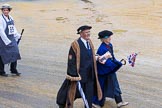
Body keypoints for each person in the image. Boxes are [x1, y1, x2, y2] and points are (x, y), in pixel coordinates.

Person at [56, 25, 102, 108]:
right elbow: (71, 61)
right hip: (79, 77)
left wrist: (98, 58)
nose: (88, 34)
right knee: (71, 94)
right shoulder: (75, 44)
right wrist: (75, 75)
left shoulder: (90, 42)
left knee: (89, 96)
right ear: (81, 33)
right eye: (86, 32)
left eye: (89, 32)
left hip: (90, 76)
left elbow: (90, 56)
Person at [92, 30, 129, 108]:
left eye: (110, 36)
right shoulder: (102, 49)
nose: (110, 38)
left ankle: (118, 102)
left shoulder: (109, 45)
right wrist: (118, 64)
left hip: (109, 70)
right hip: (103, 71)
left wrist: (118, 63)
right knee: (102, 86)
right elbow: (105, 62)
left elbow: (112, 57)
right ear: (103, 39)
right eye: (108, 37)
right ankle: (96, 103)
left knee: (113, 85)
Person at [0, 4, 21, 77]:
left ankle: (13, 69)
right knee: (2, 55)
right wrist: (6, 41)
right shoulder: (1, 19)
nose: (5, 11)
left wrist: (17, 35)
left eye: (7, 10)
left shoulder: (11, 18)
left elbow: (13, 28)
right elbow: (1, 31)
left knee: (15, 52)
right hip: (3, 40)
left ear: (9, 10)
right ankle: (1, 71)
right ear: (2, 10)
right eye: (4, 10)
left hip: (12, 38)